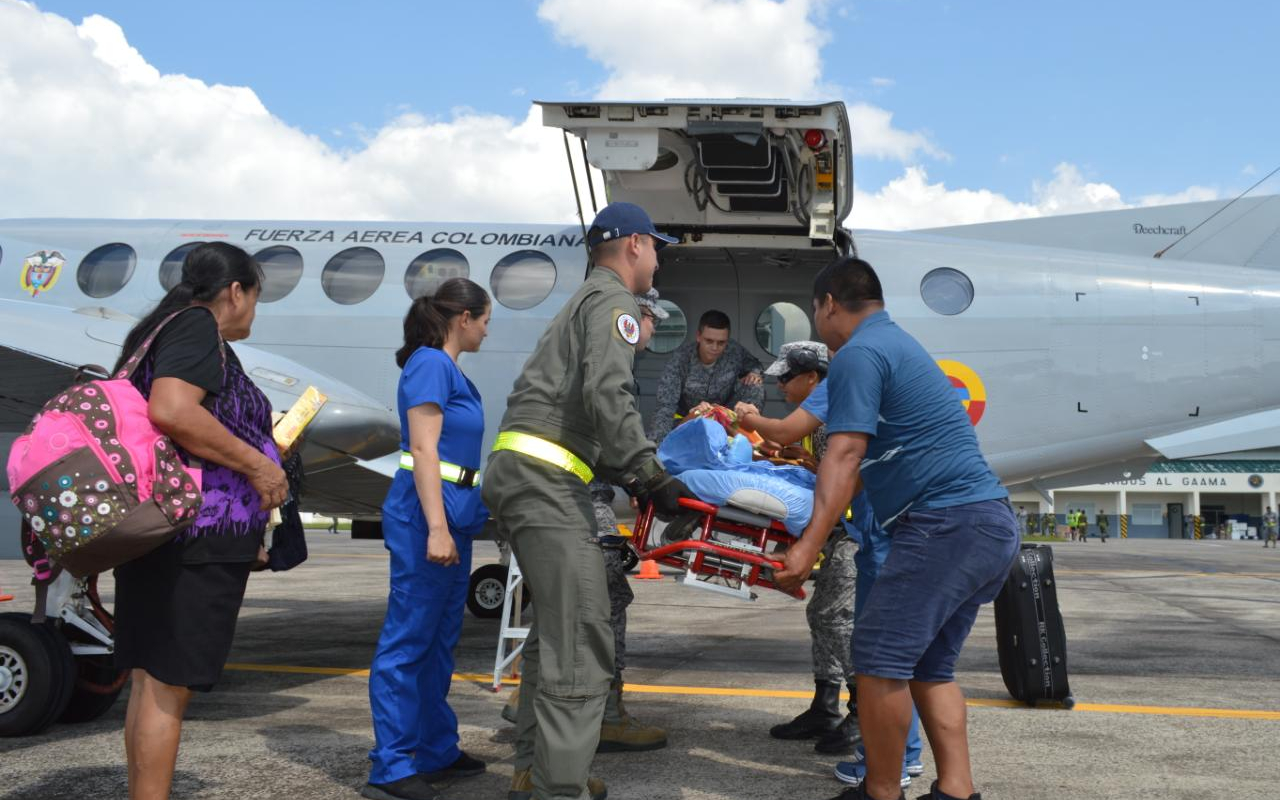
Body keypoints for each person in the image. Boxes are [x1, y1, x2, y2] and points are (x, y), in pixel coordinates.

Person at [775, 256, 1019, 800]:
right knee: (930, 667)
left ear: (830, 304)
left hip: (945, 525)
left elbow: (844, 451)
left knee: (880, 657)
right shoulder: (895, 344)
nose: (818, 321)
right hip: (988, 523)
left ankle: (880, 792)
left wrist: (807, 546)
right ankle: (956, 790)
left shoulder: (860, 352)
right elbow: (863, 469)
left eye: (815, 310)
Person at [480, 202, 693, 800]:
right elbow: (610, 391)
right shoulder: (613, 303)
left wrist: (626, 471)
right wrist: (649, 474)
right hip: (545, 485)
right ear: (632, 244)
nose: (657, 258)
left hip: (532, 476)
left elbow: (577, 410)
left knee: (555, 632)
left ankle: (536, 770)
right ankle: (561, 787)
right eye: (656, 245)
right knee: (582, 636)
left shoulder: (584, 302)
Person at [111, 242, 288, 800]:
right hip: (192, 537)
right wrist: (258, 464)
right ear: (235, 292)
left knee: (151, 681)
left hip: (166, 532)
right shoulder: (194, 328)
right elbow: (172, 409)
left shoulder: (162, 328)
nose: (255, 313)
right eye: (256, 298)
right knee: (168, 686)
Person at [501, 289, 671, 753]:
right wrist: (649, 477)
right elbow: (605, 424)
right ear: (640, 316)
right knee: (605, 593)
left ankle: (534, 713)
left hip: (566, 487)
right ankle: (598, 713)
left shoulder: (593, 350)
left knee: (566, 603)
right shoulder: (609, 354)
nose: (653, 331)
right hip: (571, 490)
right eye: (654, 319)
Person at [364, 278, 493, 800]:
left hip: (453, 516)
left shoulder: (448, 368)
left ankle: (435, 748)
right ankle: (391, 766)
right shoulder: (430, 363)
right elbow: (423, 449)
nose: (487, 330)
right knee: (408, 642)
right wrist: (437, 527)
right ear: (463, 318)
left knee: (439, 642)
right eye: (484, 320)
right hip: (426, 519)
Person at [735, 341, 862, 755]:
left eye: (787, 378)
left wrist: (754, 420)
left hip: (859, 530)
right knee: (821, 612)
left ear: (813, 378)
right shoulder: (823, 421)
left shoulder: (831, 414)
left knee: (836, 615)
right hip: (840, 529)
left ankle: (865, 709)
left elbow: (843, 478)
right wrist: (795, 459)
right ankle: (825, 705)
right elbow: (823, 470)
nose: (781, 385)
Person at [649, 309, 764, 442]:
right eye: (709, 341)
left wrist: (754, 373)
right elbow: (665, 406)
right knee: (665, 426)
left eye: (721, 343)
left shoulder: (734, 351)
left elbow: (755, 364)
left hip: (725, 418)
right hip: (690, 418)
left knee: (755, 386)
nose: (715, 348)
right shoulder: (680, 359)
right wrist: (658, 444)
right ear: (698, 336)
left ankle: (746, 440)